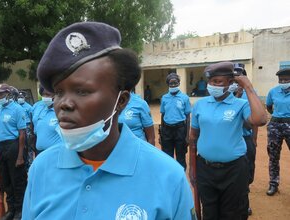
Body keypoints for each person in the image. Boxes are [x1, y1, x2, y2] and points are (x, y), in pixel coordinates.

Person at [22, 21, 195, 220]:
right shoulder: (41, 168)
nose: (64, 104)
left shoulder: (168, 176)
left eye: (82, 91)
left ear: (121, 101)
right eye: (59, 92)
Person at [189, 61, 267, 219]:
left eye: (218, 82)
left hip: (234, 171)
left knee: (233, 213)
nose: (213, 85)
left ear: (231, 83)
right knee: (209, 213)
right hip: (205, 169)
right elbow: (193, 138)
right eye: (211, 81)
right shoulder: (200, 105)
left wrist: (248, 87)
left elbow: (260, 119)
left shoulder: (240, 104)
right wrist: (192, 166)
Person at [0, 84, 27, 220]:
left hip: (13, 146)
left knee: (17, 180)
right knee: (5, 179)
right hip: (0, 146)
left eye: (0, 94)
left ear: (7, 94)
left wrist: (20, 156)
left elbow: (22, 134)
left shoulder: (17, 109)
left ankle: (20, 210)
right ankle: (11, 209)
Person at [233, 63, 258, 215]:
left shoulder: (250, 93)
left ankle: (244, 201)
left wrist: (254, 139)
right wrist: (235, 95)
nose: (237, 78)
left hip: (246, 138)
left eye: (240, 74)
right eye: (234, 75)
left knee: (247, 173)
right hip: (231, 140)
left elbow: (254, 121)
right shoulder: (224, 93)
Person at [265, 67, 290, 196]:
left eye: (286, 79)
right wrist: (276, 115)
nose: (283, 81)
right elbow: (269, 106)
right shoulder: (273, 91)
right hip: (275, 125)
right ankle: (273, 183)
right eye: (281, 80)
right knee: (273, 156)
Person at [160, 73, 191, 169]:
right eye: (171, 83)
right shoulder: (164, 98)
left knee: (181, 157)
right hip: (167, 130)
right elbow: (163, 115)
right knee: (167, 157)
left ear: (179, 83)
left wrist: (187, 135)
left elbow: (188, 116)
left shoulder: (184, 98)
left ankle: (181, 177)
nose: (173, 85)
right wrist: (161, 133)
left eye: (175, 83)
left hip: (180, 129)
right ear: (168, 84)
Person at [30, 86, 61, 156]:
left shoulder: (60, 110)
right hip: (39, 151)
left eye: (48, 94)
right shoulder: (38, 106)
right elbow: (33, 124)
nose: (45, 97)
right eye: (43, 94)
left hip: (55, 153)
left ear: (55, 95)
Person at [16, 91, 33, 168]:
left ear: (24, 98)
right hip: (19, 128)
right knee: (21, 146)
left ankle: (30, 163)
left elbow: (32, 119)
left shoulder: (29, 107)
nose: (20, 99)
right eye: (18, 97)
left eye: (21, 97)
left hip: (27, 127)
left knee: (28, 146)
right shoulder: (15, 106)